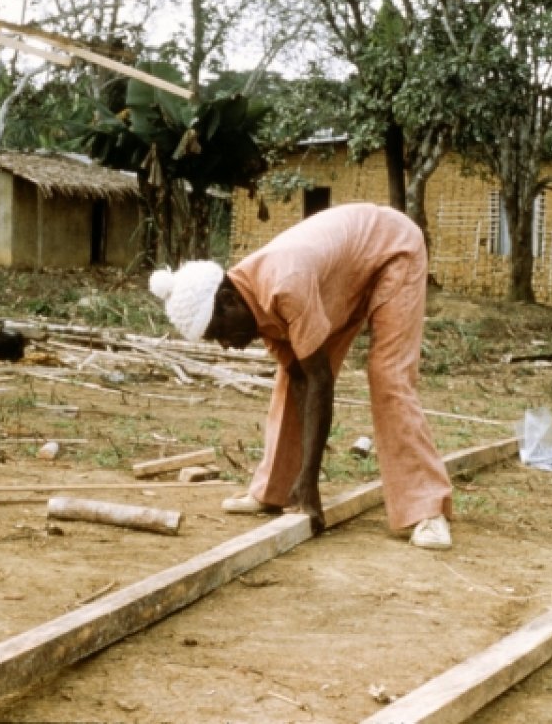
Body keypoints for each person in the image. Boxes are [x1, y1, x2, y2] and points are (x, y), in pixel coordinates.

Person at [148, 202, 454, 550]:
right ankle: (275, 490)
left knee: (388, 375)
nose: (226, 346)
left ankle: (427, 510)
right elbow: (299, 377)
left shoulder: (284, 285)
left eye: (220, 333)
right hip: (344, 272)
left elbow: (320, 381)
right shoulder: (251, 298)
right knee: (290, 376)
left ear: (229, 301)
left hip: (392, 249)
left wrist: (310, 484)